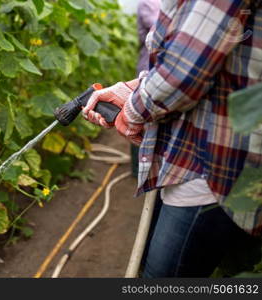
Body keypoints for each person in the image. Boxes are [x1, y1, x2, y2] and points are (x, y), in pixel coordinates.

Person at [82, 0, 262, 277]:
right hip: (204, 146)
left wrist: (132, 112)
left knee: (164, 276)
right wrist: (131, 88)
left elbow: (184, 71)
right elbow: (203, 52)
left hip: (210, 160)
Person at [131, 0, 161, 178]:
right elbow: (159, 28)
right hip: (147, 69)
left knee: (152, 120)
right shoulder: (148, 3)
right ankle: (137, 170)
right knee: (139, 119)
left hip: (160, 73)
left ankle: (150, 168)